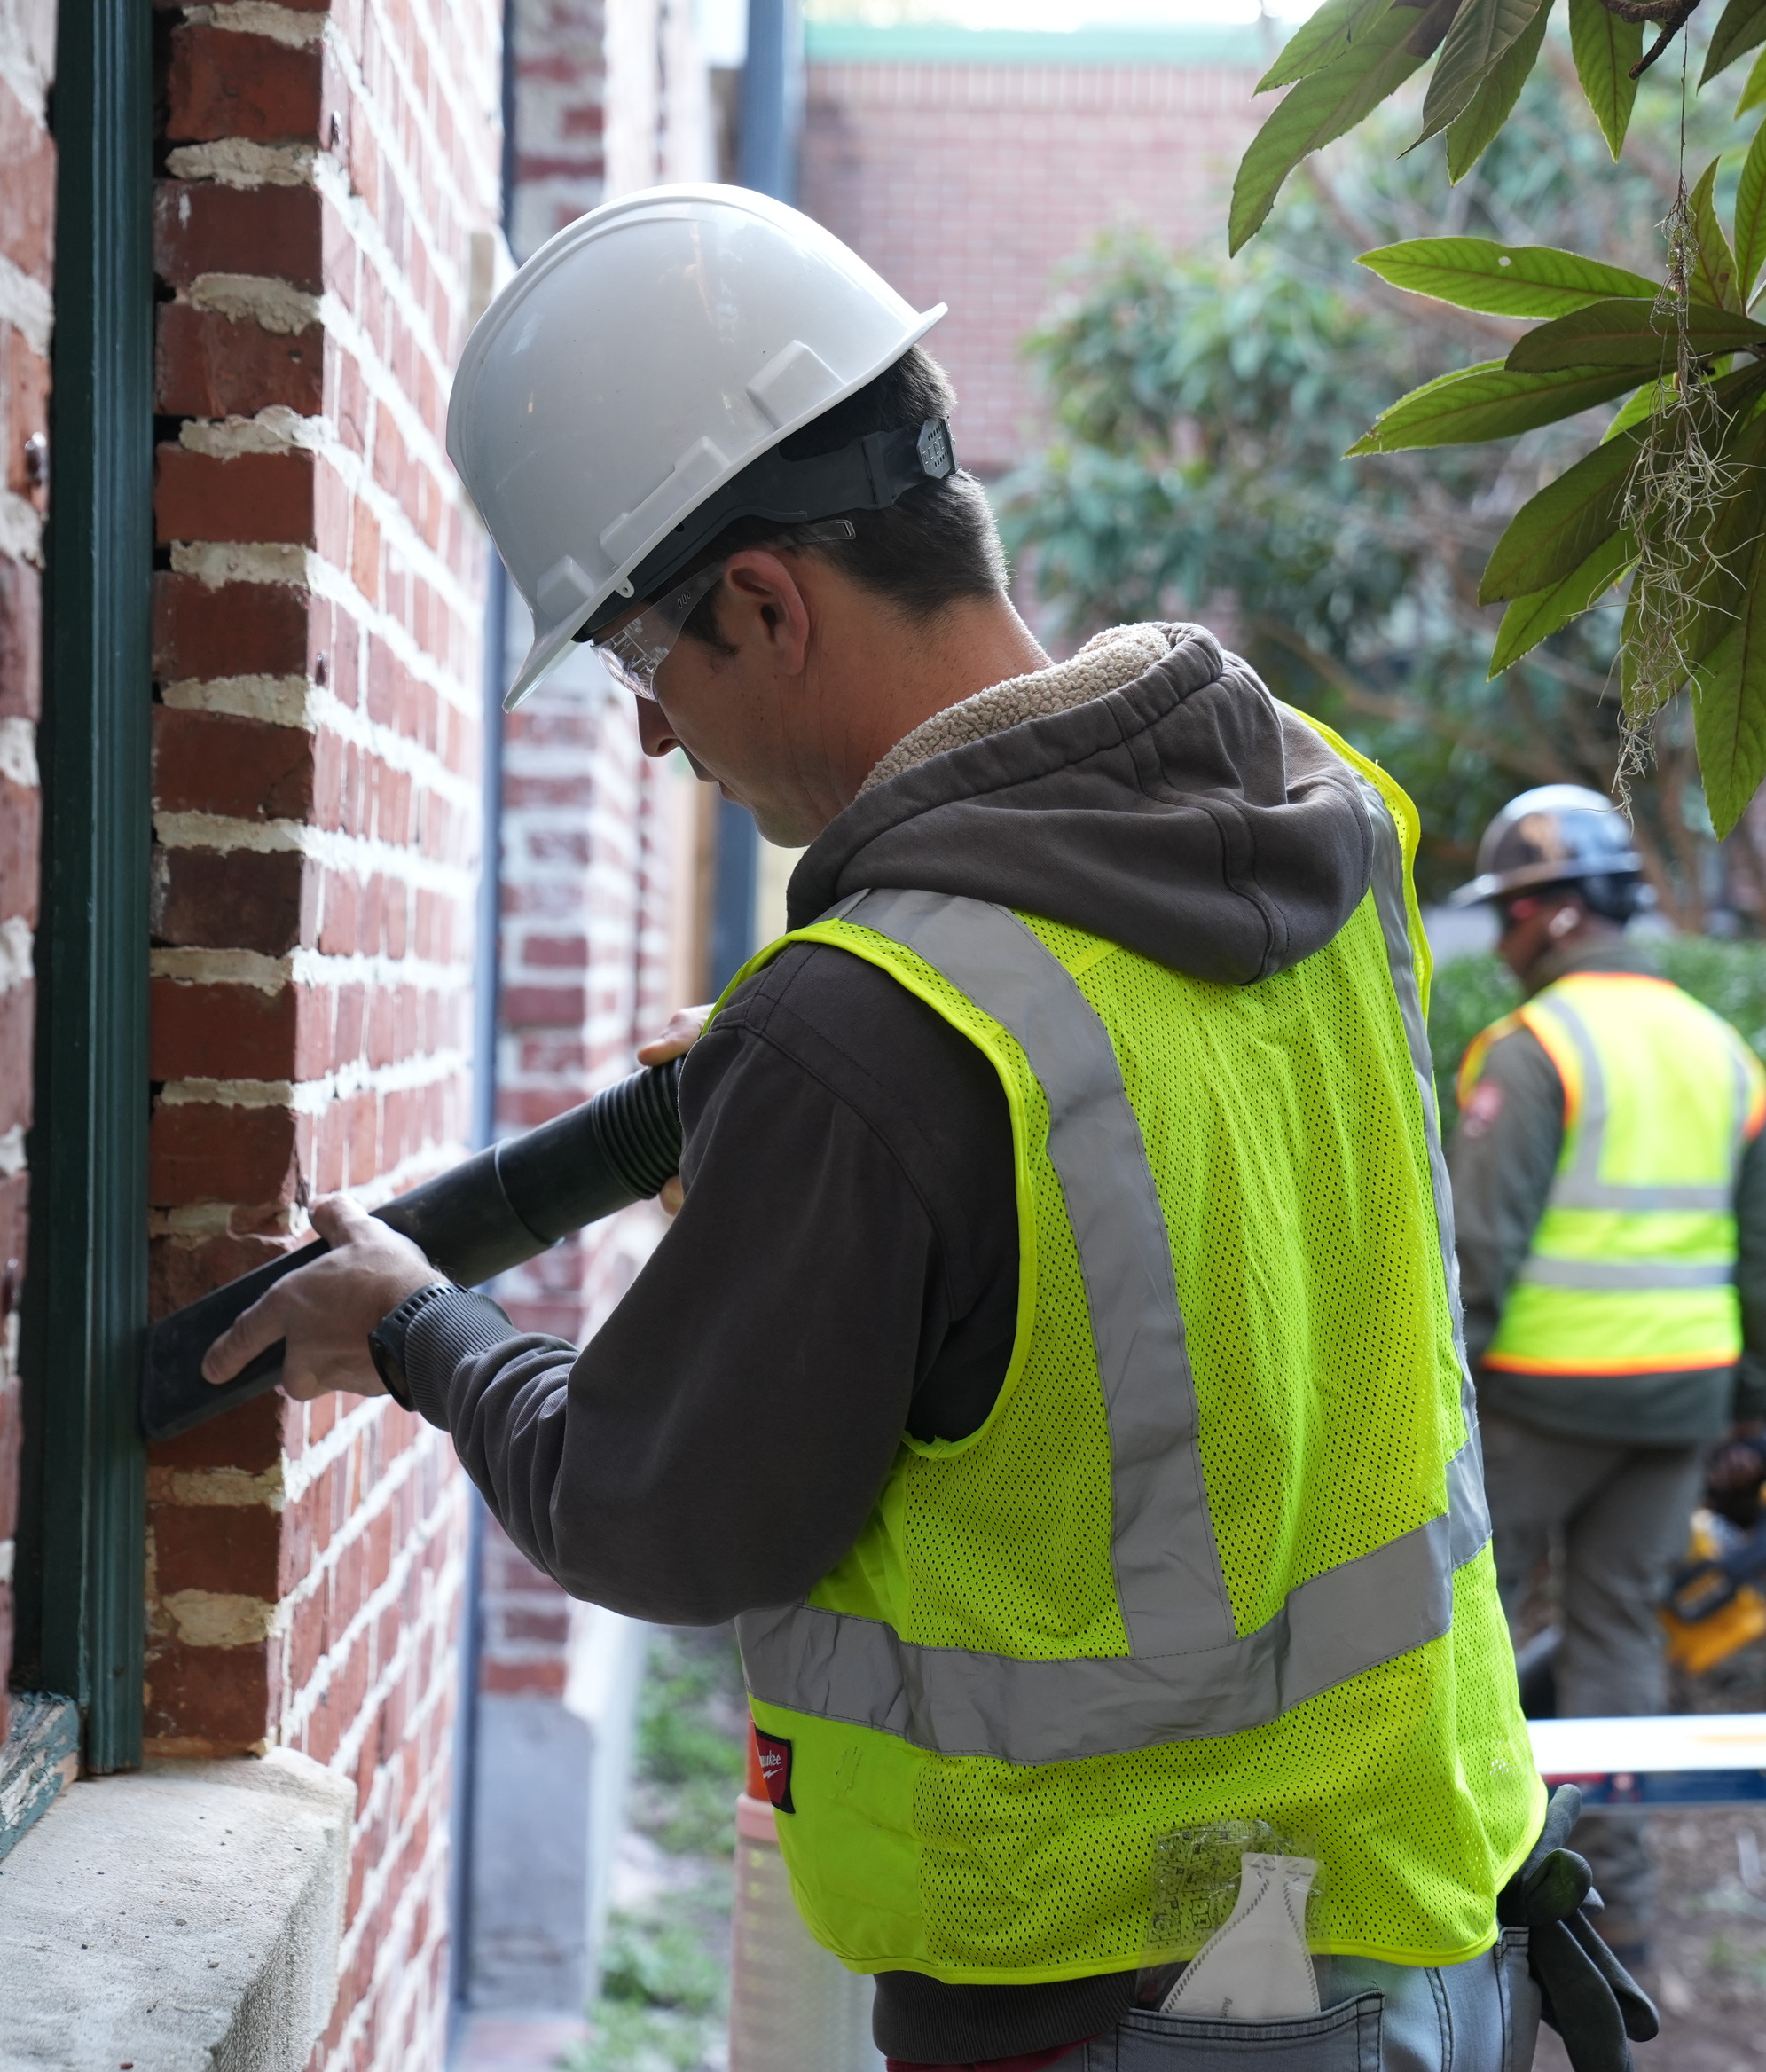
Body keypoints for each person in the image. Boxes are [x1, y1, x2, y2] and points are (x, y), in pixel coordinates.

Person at [203, 186, 1646, 2071]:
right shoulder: (1316, 811)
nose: (660, 745)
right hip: (1420, 1918)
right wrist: (836, 1136)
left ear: (764, 603)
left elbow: (656, 1512)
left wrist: (405, 1327)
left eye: (650, 671)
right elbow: (1188, 1238)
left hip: (1149, 1998)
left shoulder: (877, 1031)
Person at [1447, 786, 1766, 1967]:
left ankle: (1476, 1916)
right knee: (1617, 1647)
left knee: (1470, 1639)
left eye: (1506, 914)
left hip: (1538, 1400)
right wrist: (1751, 1402)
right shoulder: (1719, 1047)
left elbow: (1480, 1251)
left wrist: (1437, 1392)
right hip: (1678, 1407)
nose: (1499, 941)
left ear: (1551, 915)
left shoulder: (1535, 1050)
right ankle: (1616, 1926)